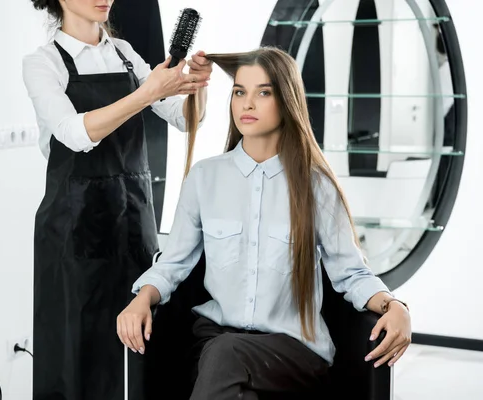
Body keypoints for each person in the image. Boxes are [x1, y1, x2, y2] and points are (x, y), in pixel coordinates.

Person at [117, 47, 412, 399]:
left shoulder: (316, 186)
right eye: (240, 92)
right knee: (227, 364)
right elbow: (173, 262)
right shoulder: (204, 178)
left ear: (286, 100)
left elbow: (351, 274)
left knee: (226, 356)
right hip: (213, 341)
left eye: (263, 92)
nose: (247, 104)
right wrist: (141, 298)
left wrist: (396, 306)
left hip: (292, 352)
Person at [22, 1, 213, 399]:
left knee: (143, 342)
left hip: (132, 220)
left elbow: (182, 118)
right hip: (74, 231)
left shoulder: (124, 53)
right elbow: (75, 134)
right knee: (76, 353)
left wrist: (197, 86)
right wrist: (146, 93)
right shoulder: (43, 63)